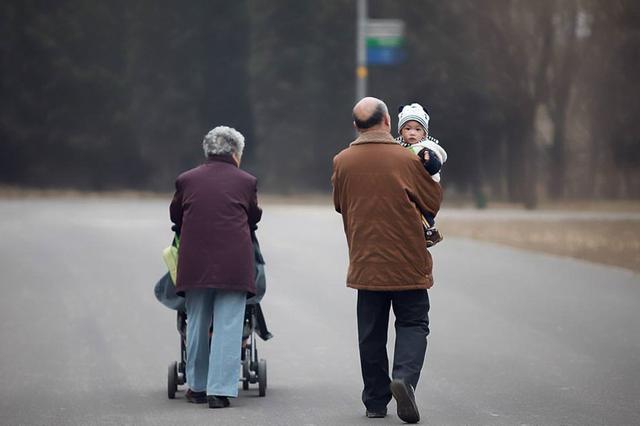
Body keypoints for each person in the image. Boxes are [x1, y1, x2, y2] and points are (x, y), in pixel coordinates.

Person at [331, 97, 443, 423]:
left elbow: (340, 204)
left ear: (356, 126)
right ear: (387, 124)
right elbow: (432, 203)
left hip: (366, 261)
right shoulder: (407, 159)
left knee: (371, 332)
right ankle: (404, 379)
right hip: (408, 260)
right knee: (413, 322)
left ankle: (375, 403)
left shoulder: (342, 161)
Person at [169, 125, 262, 409]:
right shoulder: (246, 181)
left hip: (194, 264)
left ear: (207, 151)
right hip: (234, 264)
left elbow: (176, 215)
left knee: (196, 322)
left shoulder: (186, 179)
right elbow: (253, 217)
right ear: (235, 153)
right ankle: (219, 392)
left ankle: (196, 386)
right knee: (229, 324)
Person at [396, 103, 448, 247]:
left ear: (424, 133)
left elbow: (436, 166)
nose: (412, 133)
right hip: (408, 184)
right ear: (400, 131)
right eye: (408, 129)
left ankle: (430, 230)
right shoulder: (398, 147)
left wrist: (429, 161)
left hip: (425, 185)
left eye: (417, 129)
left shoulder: (427, 148)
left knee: (420, 209)